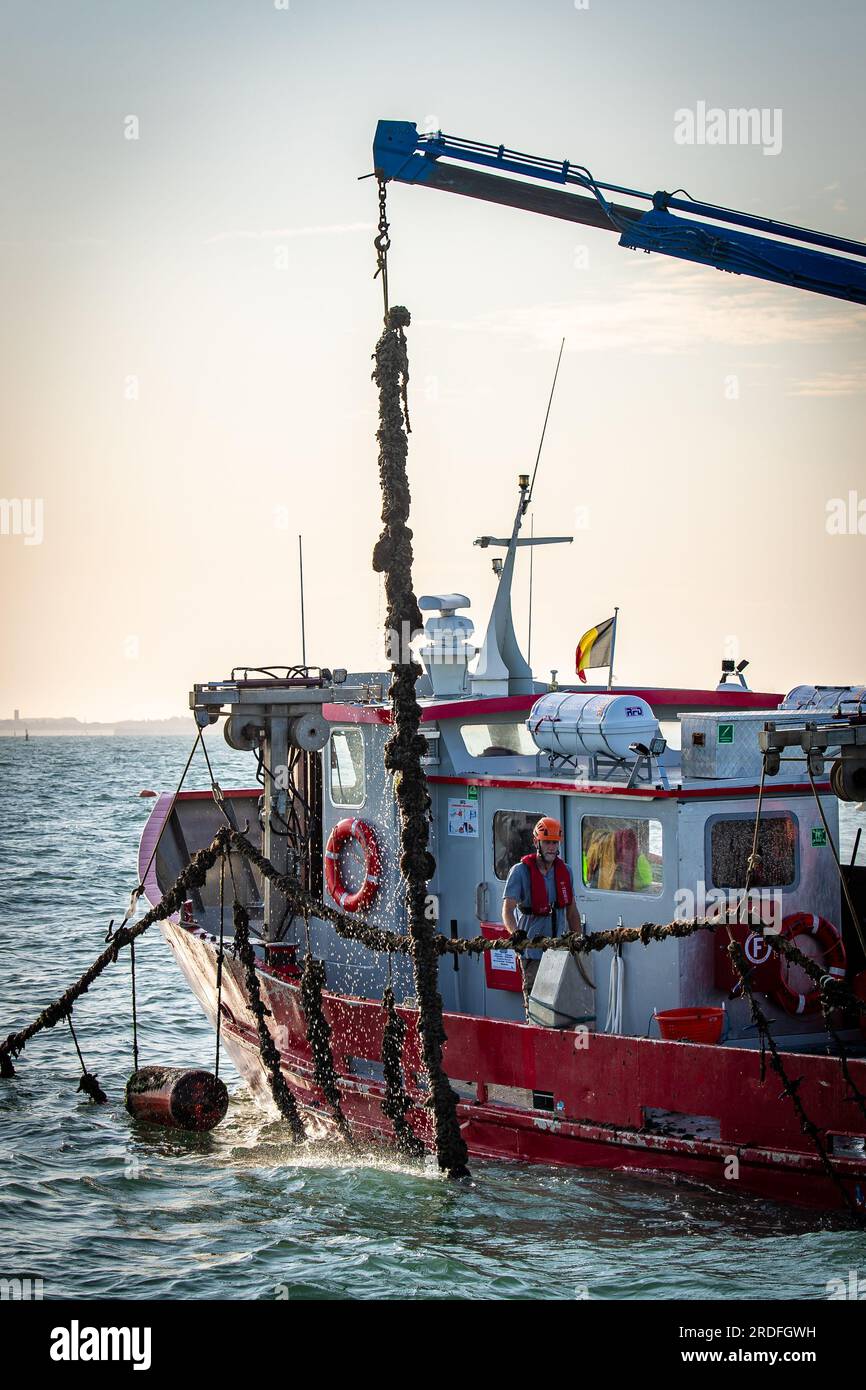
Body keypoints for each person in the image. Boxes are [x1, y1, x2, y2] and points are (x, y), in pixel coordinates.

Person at [502, 817, 582, 993]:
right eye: (547, 842)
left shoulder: (565, 871)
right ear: (536, 842)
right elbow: (507, 910)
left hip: (559, 952)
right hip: (533, 954)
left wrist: (579, 942)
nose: (552, 847)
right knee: (536, 1006)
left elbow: (572, 912)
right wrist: (516, 933)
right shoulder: (520, 872)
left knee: (558, 1006)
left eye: (554, 842)